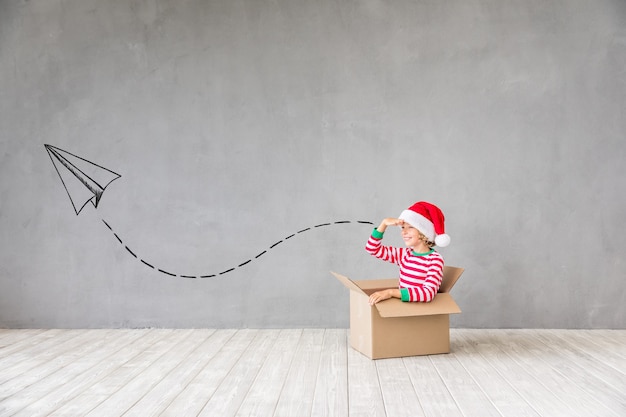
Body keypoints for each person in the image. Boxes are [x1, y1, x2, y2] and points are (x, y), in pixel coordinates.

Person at [365, 201, 450, 305]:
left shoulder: (435, 259)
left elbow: (428, 293)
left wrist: (391, 292)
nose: (403, 232)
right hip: (404, 310)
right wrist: (383, 224)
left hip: (420, 314)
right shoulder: (405, 255)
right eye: (403, 227)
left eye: (410, 227)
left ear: (424, 232)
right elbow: (372, 249)